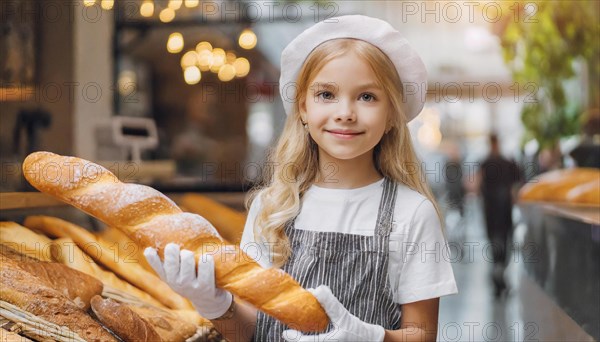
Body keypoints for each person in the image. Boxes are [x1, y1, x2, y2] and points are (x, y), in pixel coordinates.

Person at [144, 15, 458, 341]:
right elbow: (253, 333)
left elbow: (422, 334)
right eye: (326, 95)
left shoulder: (411, 213)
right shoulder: (271, 207)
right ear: (303, 109)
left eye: (367, 97)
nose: (345, 112)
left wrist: (371, 337)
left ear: (392, 114)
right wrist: (216, 305)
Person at [478, 134, 522, 298]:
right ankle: (500, 276)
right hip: (504, 211)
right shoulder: (508, 162)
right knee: (504, 242)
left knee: (495, 243)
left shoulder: (485, 163)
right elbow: (517, 185)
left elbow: (476, 186)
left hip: (491, 211)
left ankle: (498, 276)